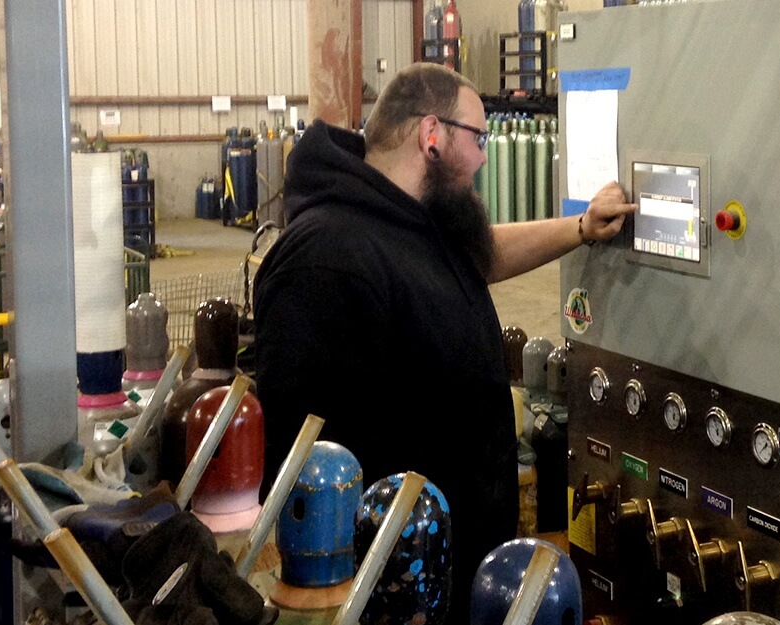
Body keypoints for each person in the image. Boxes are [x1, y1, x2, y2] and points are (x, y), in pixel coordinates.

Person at [252, 62, 634, 621]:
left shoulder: (409, 218)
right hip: (397, 589)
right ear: (432, 136)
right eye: (478, 139)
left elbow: (484, 254)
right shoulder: (327, 259)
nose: (483, 158)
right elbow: (307, 472)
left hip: (451, 566)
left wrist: (580, 228)